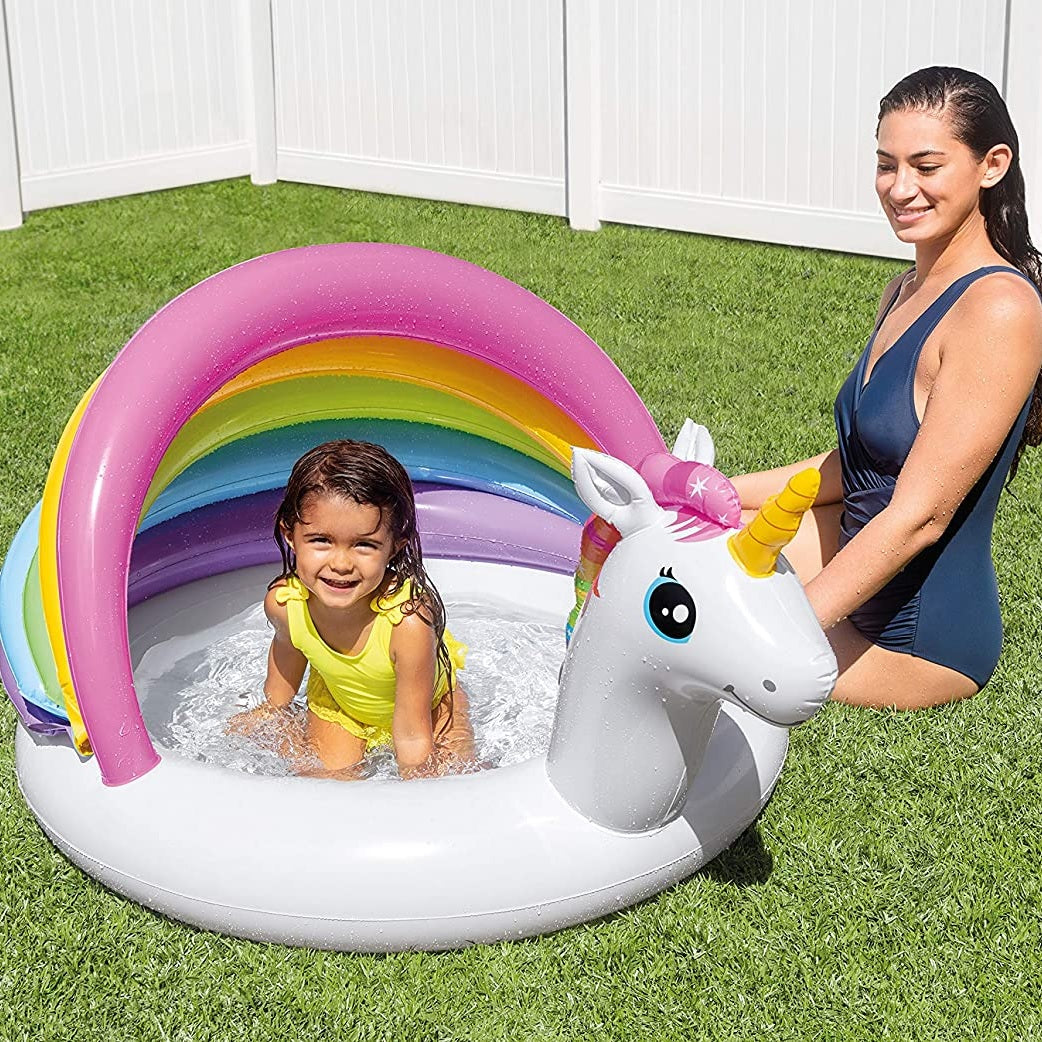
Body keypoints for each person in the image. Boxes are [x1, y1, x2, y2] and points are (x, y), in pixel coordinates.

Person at [732, 66, 1042, 710]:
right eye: (886, 164)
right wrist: (717, 493)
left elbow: (920, 515)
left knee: (697, 653)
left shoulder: (1000, 309)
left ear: (992, 166)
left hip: (916, 639)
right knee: (688, 542)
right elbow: (861, 467)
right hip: (854, 562)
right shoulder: (902, 290)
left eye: (926, 167)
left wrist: (779, 629)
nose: (901, 188)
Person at [229, 439, 475, 778]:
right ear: (290, 535)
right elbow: (289, 648)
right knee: (324, 786)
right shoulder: (286, 604)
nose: (341, 564)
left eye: (364, 545)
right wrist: (272, 709)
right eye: (321, 541)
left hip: (429, 709)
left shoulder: (408, 625)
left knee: (450, 777)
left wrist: (417, 786)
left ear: (395, 545)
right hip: (340, 704)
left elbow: (413, 736)